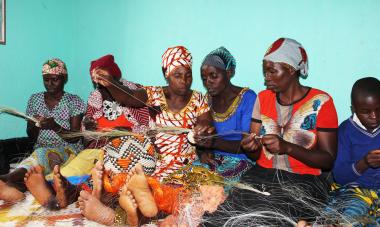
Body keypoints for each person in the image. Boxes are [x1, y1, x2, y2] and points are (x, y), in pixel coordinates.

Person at [204, 38, 339, 225]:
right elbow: (255, 154)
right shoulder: (263, 98)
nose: (266, 77)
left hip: (305, 180)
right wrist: (250, 147)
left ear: (291, 70)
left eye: (272, 71)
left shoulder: (322, 101)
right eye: (265, 71)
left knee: (268, 218)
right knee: (223, 217)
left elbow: (328, 160)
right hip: (262, 174)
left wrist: (288, 147)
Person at [77, 46, 216, 226]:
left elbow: (207, 123)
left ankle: (123, 217)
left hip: (184, 166)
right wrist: (110, 82)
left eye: (188, 75)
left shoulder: (199, 99)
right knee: (127, 185)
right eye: (177, 75)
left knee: (190, 197)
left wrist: (203, 130)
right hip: (154, 162)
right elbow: (129, 98)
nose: (184, 80)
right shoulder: (154, 94)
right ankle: (122, 209)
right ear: (166, 74)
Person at [0, 58, 85, 203]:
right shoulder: (35, 99)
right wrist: (35, 125)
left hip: (68, 150)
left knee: (40, 156)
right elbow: (31, 135)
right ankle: (17, 190)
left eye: (54, 79)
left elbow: (75, 137)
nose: (50, 84)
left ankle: (6, 180)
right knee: (36, 161)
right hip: (41, 147)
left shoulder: (74, 101)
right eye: (46, 80)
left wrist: (54, 126)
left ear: (64, 78)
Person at [194, 46, 257, 185]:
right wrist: (202, 152)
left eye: (213, 76)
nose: (208, 82)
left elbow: (249, 146)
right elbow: (203, 139)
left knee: (214, 191)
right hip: (213, 160)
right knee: (184, 182)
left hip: (241, 161)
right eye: (204, 78)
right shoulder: (207, 99)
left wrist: (213, 143)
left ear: (229, 72)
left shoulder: (248, 98)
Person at [326, 77, 380, 226]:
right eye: (366, 112)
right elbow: (339, 176)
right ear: (354, 109)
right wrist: (364, 163)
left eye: (378, 109)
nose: (374, 116)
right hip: (355, 191)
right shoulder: (345, 131)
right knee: (349, 217)